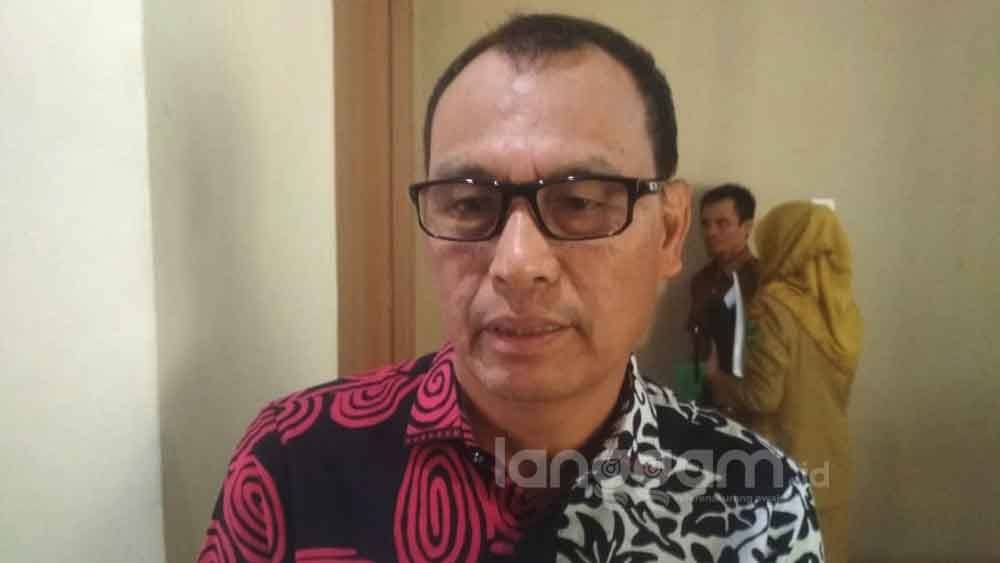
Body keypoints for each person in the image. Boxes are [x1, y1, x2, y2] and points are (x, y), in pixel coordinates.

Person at [198, 14, 824, 562]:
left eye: (580, 202)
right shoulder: (297, 460)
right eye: (469, 205)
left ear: (668, 231)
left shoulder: (755, 497)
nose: (518, 264)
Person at [705, 201, 862, 563]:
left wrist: (716, 379)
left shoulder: (773, 305)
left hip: (782, 464)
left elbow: (763, 396)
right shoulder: (843, 312)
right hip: (832, 462)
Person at [687, 184, 760, 389]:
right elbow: (696, 348)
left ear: (747, 227)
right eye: (705, 224)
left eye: (722, 223)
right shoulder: (700, 281)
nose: (710, 232)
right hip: (703, 394)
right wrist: (687, 395)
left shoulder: (763, 281)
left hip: (745, 397)